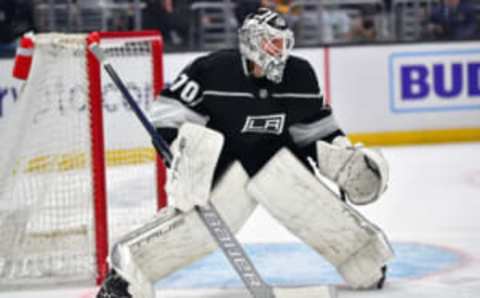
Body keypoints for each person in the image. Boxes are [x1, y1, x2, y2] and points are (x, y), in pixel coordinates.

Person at [96, 8, 393, 298]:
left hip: (281, 163)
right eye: (272, 42)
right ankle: (125, 276)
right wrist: (177, 151)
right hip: (226, 166)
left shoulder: (300, 75)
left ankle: (365, 258)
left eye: (282, 42)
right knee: (196, 231)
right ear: (252, 42)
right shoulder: (212, 70)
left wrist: (342, 154)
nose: (280, 51)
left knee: (313, 207)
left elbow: (317, 131)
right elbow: (168, 114)